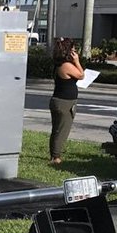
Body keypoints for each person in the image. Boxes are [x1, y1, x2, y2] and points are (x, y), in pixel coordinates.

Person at [48, 38, 84, 166]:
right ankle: (55, 157)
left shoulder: (59, 64)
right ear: (67, 51)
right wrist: (77, 61)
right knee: (62, 131)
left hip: (58, 100)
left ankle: (54, 154)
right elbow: (81, 75)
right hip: (64, 103)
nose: (75, 52)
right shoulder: (66, 65)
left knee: (56, 129)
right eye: (73, 50)